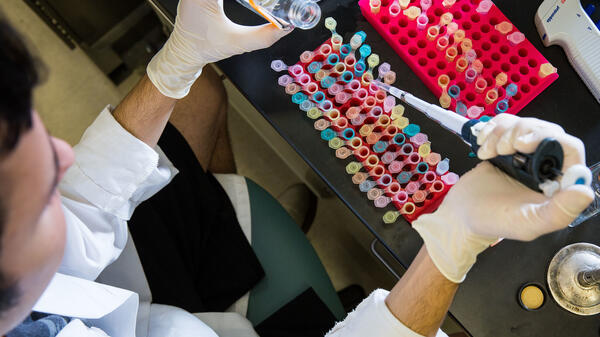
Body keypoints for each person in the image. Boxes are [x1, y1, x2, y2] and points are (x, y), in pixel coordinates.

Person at [0, 0, 594, 337]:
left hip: (124, 291)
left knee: (200, 95)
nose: (64, 154)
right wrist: (453, 243)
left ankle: (238, 216)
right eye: (32, 196)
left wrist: (177, 62)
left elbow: (78, 211)